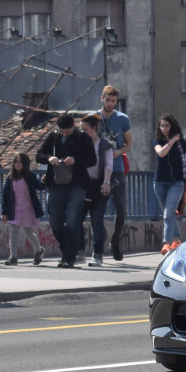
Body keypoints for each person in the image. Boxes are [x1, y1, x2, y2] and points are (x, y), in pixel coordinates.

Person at [36, 112, 96, 268]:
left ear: (73, 127)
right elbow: (39, 155)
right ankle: (67, 250)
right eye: (62, 131)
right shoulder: (53, 137)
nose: (64, 134)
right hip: (56, 184)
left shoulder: (83, 138)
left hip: (77, 185)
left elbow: (92, 159)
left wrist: (75, 160)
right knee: (55, 221)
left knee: (72, 221)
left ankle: (69, 258)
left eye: (67, 131)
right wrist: (49, 158)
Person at [95, 85, 132, 261]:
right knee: (98, 210)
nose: (110, 103)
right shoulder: (95, 118)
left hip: (116, 169)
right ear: (102, 99)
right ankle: (99, 246)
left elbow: (128, 143)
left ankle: (115, 242)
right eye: (107, 100)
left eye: (113, 101)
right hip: (98, 169)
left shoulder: (122, 119)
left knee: (121, 208)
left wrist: (119, 151)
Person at [79, 114, 113, 266]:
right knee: (75, 219)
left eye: (85, 129)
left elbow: (108, 166)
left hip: (99, 186)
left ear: (94, 129)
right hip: (83, 186)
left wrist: (106, 183)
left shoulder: (105, 145)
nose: (82, 132)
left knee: (96, 221)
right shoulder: (79, 143)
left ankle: (97, 255)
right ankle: (79, 252)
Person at [0, 152, 45, 265]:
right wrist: (4, 212)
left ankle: (39, 250)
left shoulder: (30, 176)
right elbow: (5, 196)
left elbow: (39, 187)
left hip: (28, 209)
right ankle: (13, 256)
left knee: (29, 232)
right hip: (14, 210)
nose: (17, 164)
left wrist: (45, 181)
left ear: (25, 163)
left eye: (20, 162)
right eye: (16, 161)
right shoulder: (10, 178)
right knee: (13, 232)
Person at [152, 114, 186, 254]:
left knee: (168, 214)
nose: (164, 128)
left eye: (167, 125)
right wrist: (172, 140)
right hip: (159, 182)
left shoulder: (181, 143)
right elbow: (161, 153)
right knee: (169, 214)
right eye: (162, 126)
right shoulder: (157, 141)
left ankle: (166, 243)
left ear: (172, 126)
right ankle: (177, 240)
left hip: (177, 183)